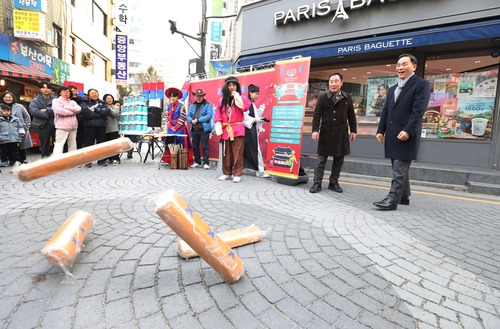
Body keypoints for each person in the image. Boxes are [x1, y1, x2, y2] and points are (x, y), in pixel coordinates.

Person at [373, 54, 430, 210]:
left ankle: (392, 200)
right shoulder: (393, 89)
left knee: (399, 169)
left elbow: (418, 111)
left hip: (406, 135)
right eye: (398, 65)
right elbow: (386, 111)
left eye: (404, 64)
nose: (400, 67)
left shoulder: (421, 85)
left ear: (414, 66)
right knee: (397, 168)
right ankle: (403, 197)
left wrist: (408, 130)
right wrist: (381, 130)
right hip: (392, 134)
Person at [309, 72, 357, 194]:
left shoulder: (347, 97)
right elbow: (317, 115)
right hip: (326, 132)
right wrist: (315, 130)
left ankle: (333, 182)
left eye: (336, 81)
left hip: (341, 133)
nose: (333, 84)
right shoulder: (323, 97)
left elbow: (351, 115)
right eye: (331, 81)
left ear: (341, 83)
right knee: (321, 160)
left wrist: (353, 130)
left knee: (339, 159)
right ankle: (317, 182)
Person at [214, 76, 251, 183]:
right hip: (226, 129)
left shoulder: (242, 98)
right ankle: (226, 172)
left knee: (238, 152)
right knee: (226, 152)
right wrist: (218, 125)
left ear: (237, 86)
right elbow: (217, 114)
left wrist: (237, 97)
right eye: (229, 85)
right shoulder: (221, 100)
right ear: (226, 87)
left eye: (233, 85)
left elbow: (245, 107)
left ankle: (237, 173)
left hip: (237, 128)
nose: (231, 87)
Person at [242, 84, 270, 178]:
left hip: (250, 129)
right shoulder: (246, 102)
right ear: (250, 93)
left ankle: (258, 169)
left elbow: (253, 117)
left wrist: (260, 119)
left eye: (258, 94)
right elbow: (244, 117)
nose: (257, 96)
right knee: (254, 150)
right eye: (256, 94)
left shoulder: (251, 103)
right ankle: (260, 171)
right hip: (247, 130)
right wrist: (255, 120)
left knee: (252, 150)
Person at [161, 87, 193, 166]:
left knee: (180, 143)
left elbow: (183, 117)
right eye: (172, 96)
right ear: (170, 97)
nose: (173, 98)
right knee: (170, 143)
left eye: (174, 96)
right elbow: (166, 117)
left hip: (180, 128)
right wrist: (170, 125)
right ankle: (170, 159)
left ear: (177, 97)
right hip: (171, 127)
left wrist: (176, 127)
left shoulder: (181, 106)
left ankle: (181, 159)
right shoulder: (168, 106)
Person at [80, 88, 111, 167]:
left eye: (96, 93)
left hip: (101, 126)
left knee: (101, 144)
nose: (94, 94)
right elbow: (85, 113)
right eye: (92, 93)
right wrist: (99, 114)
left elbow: (107, 112)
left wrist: (96, 110)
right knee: (88, 144)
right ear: (89, 95)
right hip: (90, 125)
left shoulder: (102, 102)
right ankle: (88, 161)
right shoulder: (84, 102)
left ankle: (101, 160)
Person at [0, 91, 32, 164]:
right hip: (5, 130)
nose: (8, 98)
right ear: (3, 98)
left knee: (20, 145)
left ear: (13, 98)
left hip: (20, 129)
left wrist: (26, 126)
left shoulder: (19, 106)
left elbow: (27, 117)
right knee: (7, 145)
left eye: (10, 97)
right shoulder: (0, 107)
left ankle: (21, 159)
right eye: (6, 97)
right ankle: (10, 160)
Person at [187, 88, 213, 170]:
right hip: (194, 128)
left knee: (205, 146)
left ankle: (206, 163)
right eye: (197, 96)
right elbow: (188, 116)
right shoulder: (192, 105)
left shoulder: (207, 105)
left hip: (203, 129)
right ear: (195, 96)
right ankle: (197, 162)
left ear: (203, 96)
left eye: (200, 96)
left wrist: (198, 120)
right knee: (195, 146)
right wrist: (191, 120)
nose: (198, 97)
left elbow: (209, 115)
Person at [51, 86, 81, 155]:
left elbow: (79, 109)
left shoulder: (73, 102)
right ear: (60, 93)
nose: (66, 93)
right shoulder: (56, 101)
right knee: (59, 144)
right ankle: (56, 161)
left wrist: (67, 107)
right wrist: (72, 112)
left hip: (73, 127)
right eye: (64, 91)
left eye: (67, 91)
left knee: (72, 144)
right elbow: (60, 111)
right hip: (62, 127)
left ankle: (73, 160)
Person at [29, 81, 56, 158]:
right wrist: (48, 115)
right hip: (42, 124)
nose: (45, 89)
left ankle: (57, 159)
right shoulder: (35, 100)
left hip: (55, 123)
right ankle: (45, 159)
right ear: (40, 89)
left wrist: (47, 110)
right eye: (43, 88)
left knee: (56, 143)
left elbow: (59, 109)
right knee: (44, 143)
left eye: (47, 88)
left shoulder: (56, 99)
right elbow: (34, 111)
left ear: (51, 89)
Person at [103, 93, 121, 165]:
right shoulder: (102, 107)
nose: (109, 99)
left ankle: (115, 158)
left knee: (114, 144)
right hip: (105, 128)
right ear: (104, 99)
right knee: (106, 145)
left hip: (113, 128)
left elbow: (115, 114)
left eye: (110, 98)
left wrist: (108, 107)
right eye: (107, 98)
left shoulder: (115, 107)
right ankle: (108, 158)